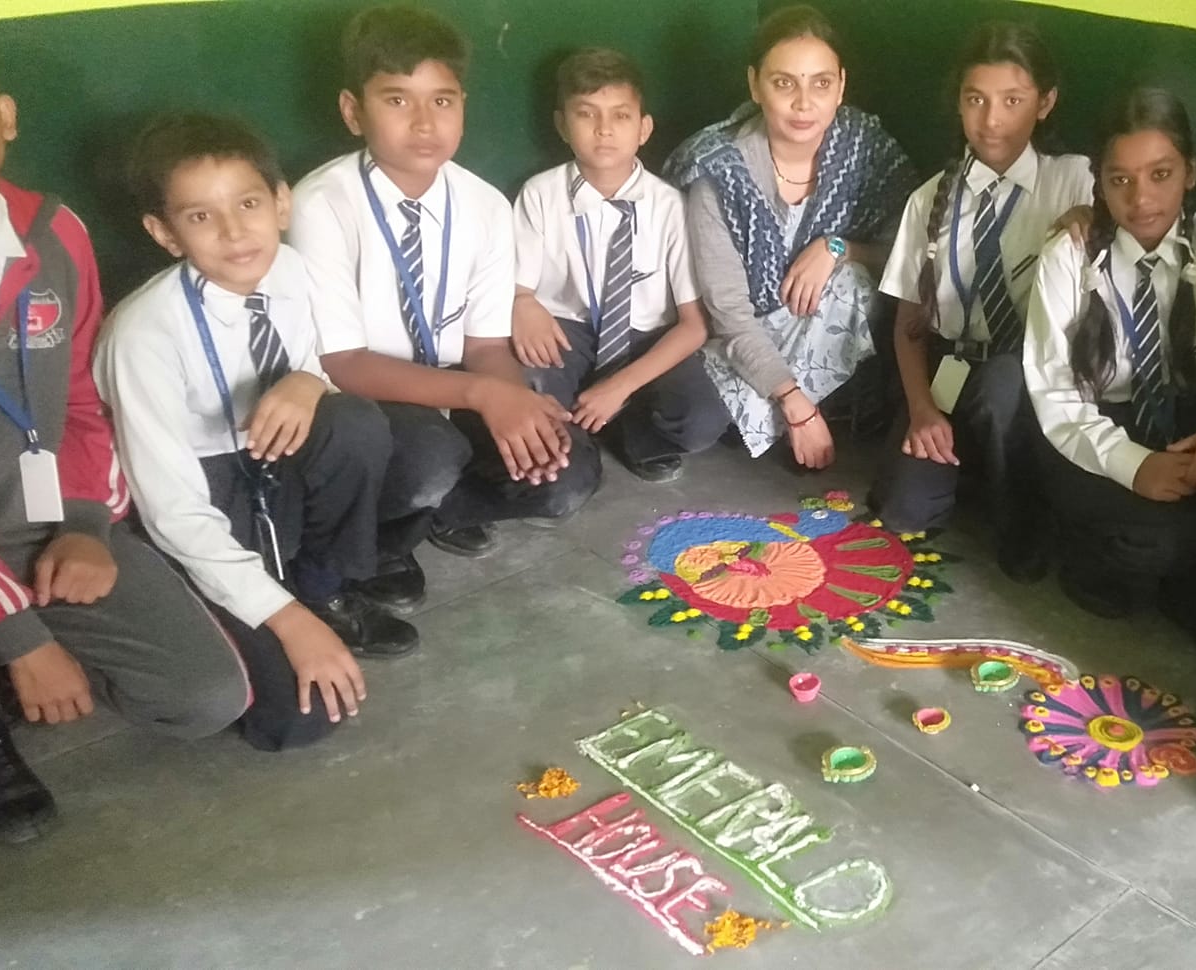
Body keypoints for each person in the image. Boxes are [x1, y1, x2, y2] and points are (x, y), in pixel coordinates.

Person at [0, 0, 248, 843]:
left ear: (5, 115)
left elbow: (80, 397)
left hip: (36, 527)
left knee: (206, 697)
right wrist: (20, 634)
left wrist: (83, 527)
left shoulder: (55, 231)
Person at [99, 113, 422, 752]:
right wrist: (284, 621)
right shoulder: (142, 335)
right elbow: (173, 512)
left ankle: (324, 591)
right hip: (206, 491)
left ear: (280, 203)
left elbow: (324, 366)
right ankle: (274, 611)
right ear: (164, 234)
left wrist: (309, 381)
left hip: (273, 460)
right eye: (200, 216)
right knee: (300, 718)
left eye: (247, 203)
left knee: (355, 423)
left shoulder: (294, 271)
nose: (233, 231)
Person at [290, 3, 598, 612]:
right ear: (353, 111)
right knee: (431, 455)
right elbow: (343, 361)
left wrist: (516, 406)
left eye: (443, 100)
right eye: (397, 100)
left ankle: (431, 515)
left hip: (452, 381)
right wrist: (485, 396)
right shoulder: (320, 205)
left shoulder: (484, 206)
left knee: (568, 472)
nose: (425, 122)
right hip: (358, 399)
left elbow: (485, 346)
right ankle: (373, 548)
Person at [1022, 88, 1196, 638]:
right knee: (1166, 540)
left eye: (1160, 174)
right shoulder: (1070, 256)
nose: (1141, 198)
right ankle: (1085, 556)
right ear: (1099, 182)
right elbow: (1055, 398)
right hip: (1087, 430)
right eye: (1119, 179)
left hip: (1178, 421)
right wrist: (1134, 465)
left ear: (1190, 172)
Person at [867, 21, 1092, 580]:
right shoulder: (930, 199)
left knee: (1000, 390)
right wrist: (922, 409)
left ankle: (1022, 510)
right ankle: (966, 465)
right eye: (976, 100)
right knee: (902, 510)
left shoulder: (1075, 182)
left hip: (1026, 377)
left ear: (1045, 103)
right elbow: (908, 324)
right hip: (948, 368)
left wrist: (1095, 219)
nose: (992, 120)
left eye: (1012, 101)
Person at [664, 3, 914, 469]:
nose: (804, 103)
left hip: (824, 335)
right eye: (784, 83)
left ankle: (776, 416)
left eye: (821, 83)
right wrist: (794, 403)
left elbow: (908, 256)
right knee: (690, 421)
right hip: (735, 337)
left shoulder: (864, 146)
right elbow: (729, 315)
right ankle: (793, 412)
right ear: (755, 85)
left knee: (853, 282)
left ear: (841, 85)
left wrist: (839, 249)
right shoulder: (717, 169)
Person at [510, 47, 727, 484]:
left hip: (646, 339)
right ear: (562, 125)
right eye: (586, 114)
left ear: (644, 128)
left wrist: (621, 385)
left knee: (703, 416)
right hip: (566, 334)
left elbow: (693, 325)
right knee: (528, 385)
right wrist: (521, 302)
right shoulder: (539, 195)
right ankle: (576, 444)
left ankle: (635, 437)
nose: (604, 129)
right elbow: (518, 289)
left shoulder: (670, 206)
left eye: (621, 115)